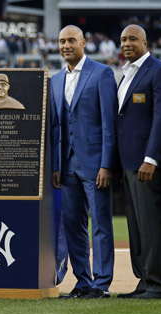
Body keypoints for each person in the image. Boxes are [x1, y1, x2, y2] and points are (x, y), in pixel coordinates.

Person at [50, 25, 116, 299]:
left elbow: (109, 123)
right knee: (72, 225)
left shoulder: (102, 73)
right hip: (66, 165)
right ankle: (83, 281)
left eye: (71, 41)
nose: (66, 45)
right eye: (62, 41)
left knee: (100, 223)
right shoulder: (54, 79)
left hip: (94, 163)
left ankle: (101, 283)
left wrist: (107, 164)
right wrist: (55, 164)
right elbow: (55, 127)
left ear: (84, 43)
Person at [115, 24, 161, 299]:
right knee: (137, 228)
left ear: (145, 43)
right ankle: (144, 281)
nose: (127, 43)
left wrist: (151, 158)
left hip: (147, 166)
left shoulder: (159, 71)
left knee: (152, 225)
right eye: (123, 39)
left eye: (132, 39)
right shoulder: (125, 74)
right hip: (128, 164)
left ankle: (160, 283)